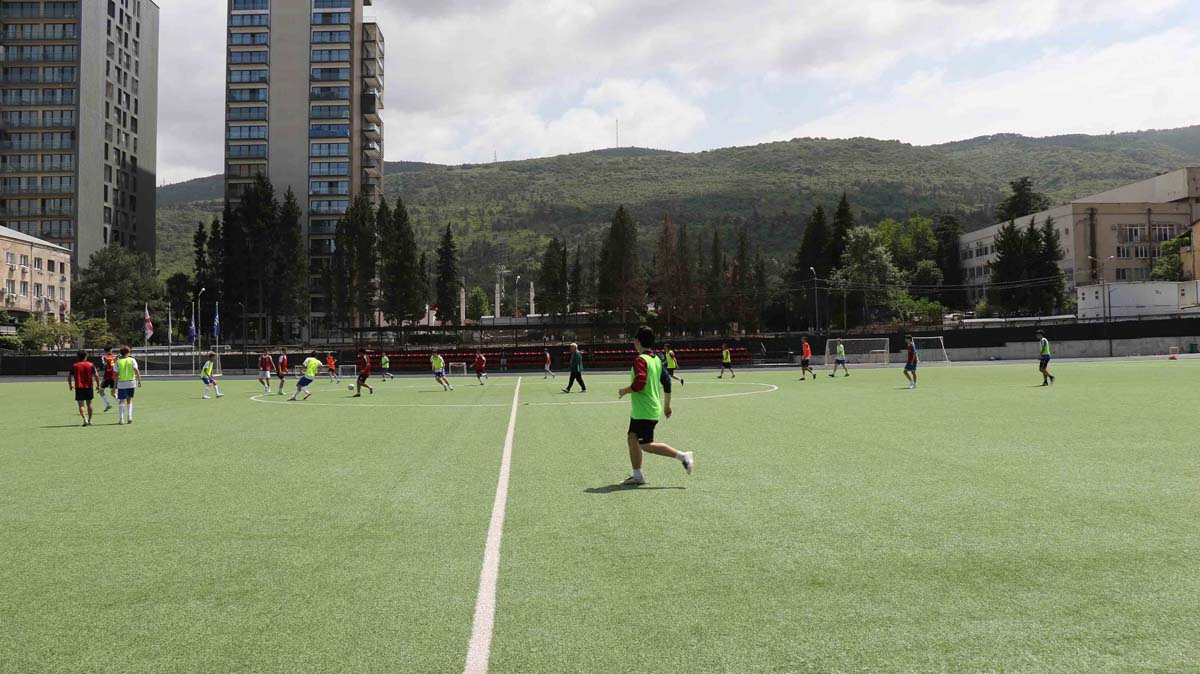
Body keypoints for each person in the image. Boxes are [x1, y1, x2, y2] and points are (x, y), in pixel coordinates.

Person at [617, 325, 694, 486]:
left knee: (646, 445)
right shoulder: (656, 359)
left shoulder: (640, 360)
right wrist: (666, 406)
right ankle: (637, 476)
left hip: (645, 410)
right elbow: (667, 383)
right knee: (632, 438)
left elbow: (639, 383)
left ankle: (683, 456)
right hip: (644, 409)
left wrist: (625, 390)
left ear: (637, 341)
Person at [68, 349, 100, 426]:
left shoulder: (75, 366)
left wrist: (70, 385)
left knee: (81, 405)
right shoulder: (91, 365)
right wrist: (98, 385)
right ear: (86, 356)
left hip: (79, 387)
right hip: (89, 386)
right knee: (89, 403)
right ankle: (90, 420)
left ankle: (84, 419)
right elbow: (96, 375)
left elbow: (69, 376)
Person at [115, 345, 141, 425]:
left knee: (121, 401)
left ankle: (121, 419)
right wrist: (139, 380)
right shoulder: (132, 360)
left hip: (122, 382)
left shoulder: (118, 361)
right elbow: (136, 370)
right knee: (129, 400)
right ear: (128, 352)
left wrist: (114, 385)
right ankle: (129, 416)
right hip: (131, 382)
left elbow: (116, 375)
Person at [99, 345, 117, 412]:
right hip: (114, 376)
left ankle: (108, 404)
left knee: (101, 391)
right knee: (113, 392)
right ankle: (120, 404)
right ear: (111, 350)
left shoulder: (104, 357)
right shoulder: (115, 357)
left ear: (104, 350)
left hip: (107, 376)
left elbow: (104, 365)